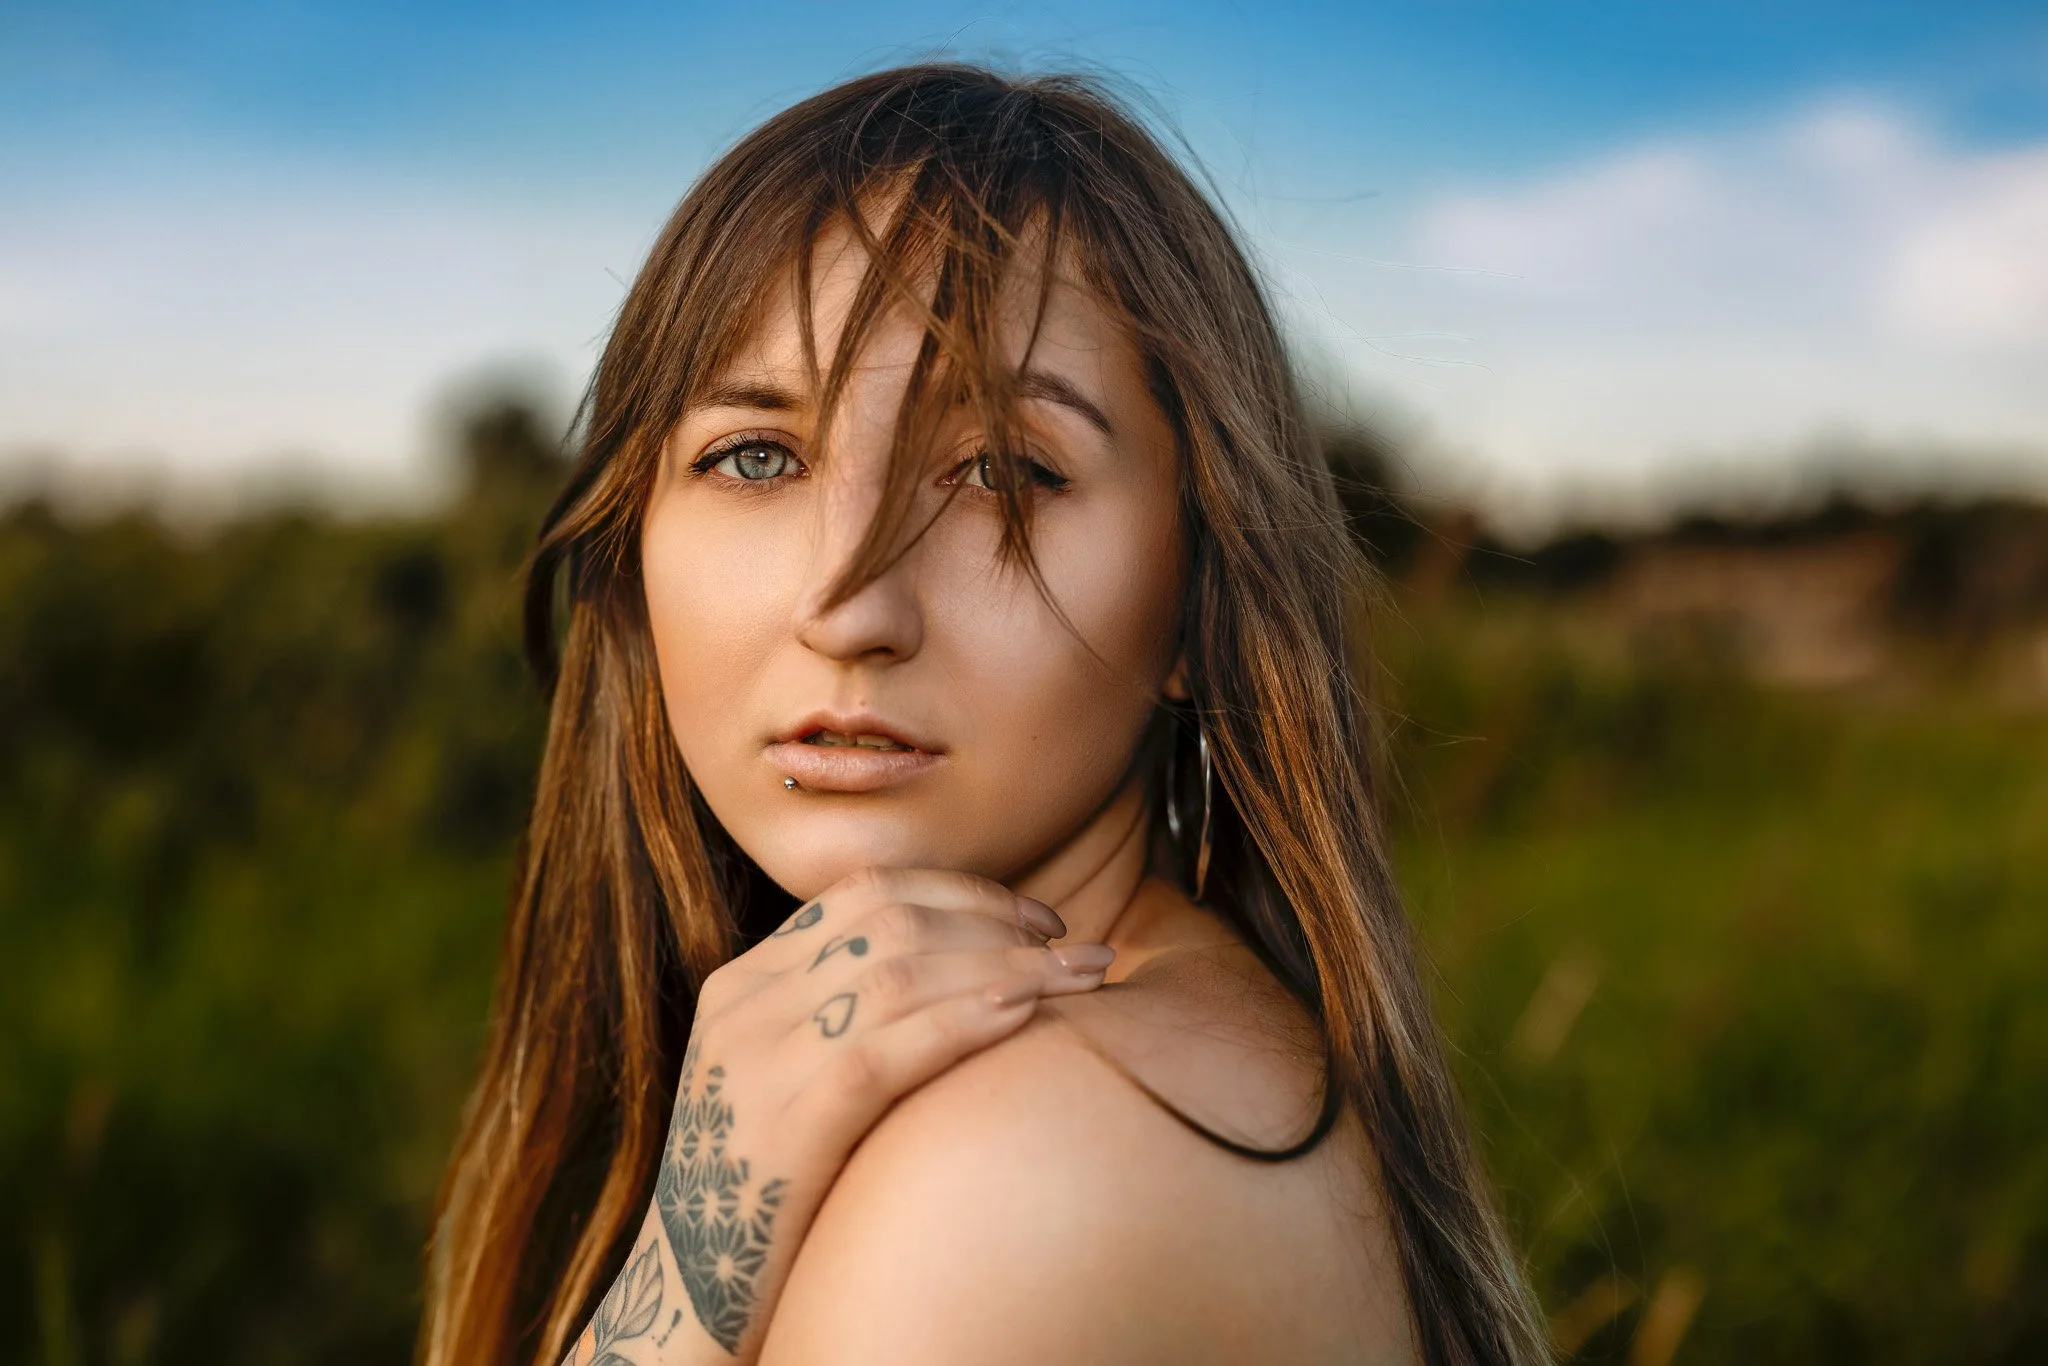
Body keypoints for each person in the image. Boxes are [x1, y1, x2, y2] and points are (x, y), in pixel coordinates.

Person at [420, 64, 1547, 1366]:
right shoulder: (1189, 1037)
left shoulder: (1018, 1163)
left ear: (1197, 600)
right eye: (758, 455)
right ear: (637, 550)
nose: (850, 601)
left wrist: (689, 1261)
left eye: (1002, 472)